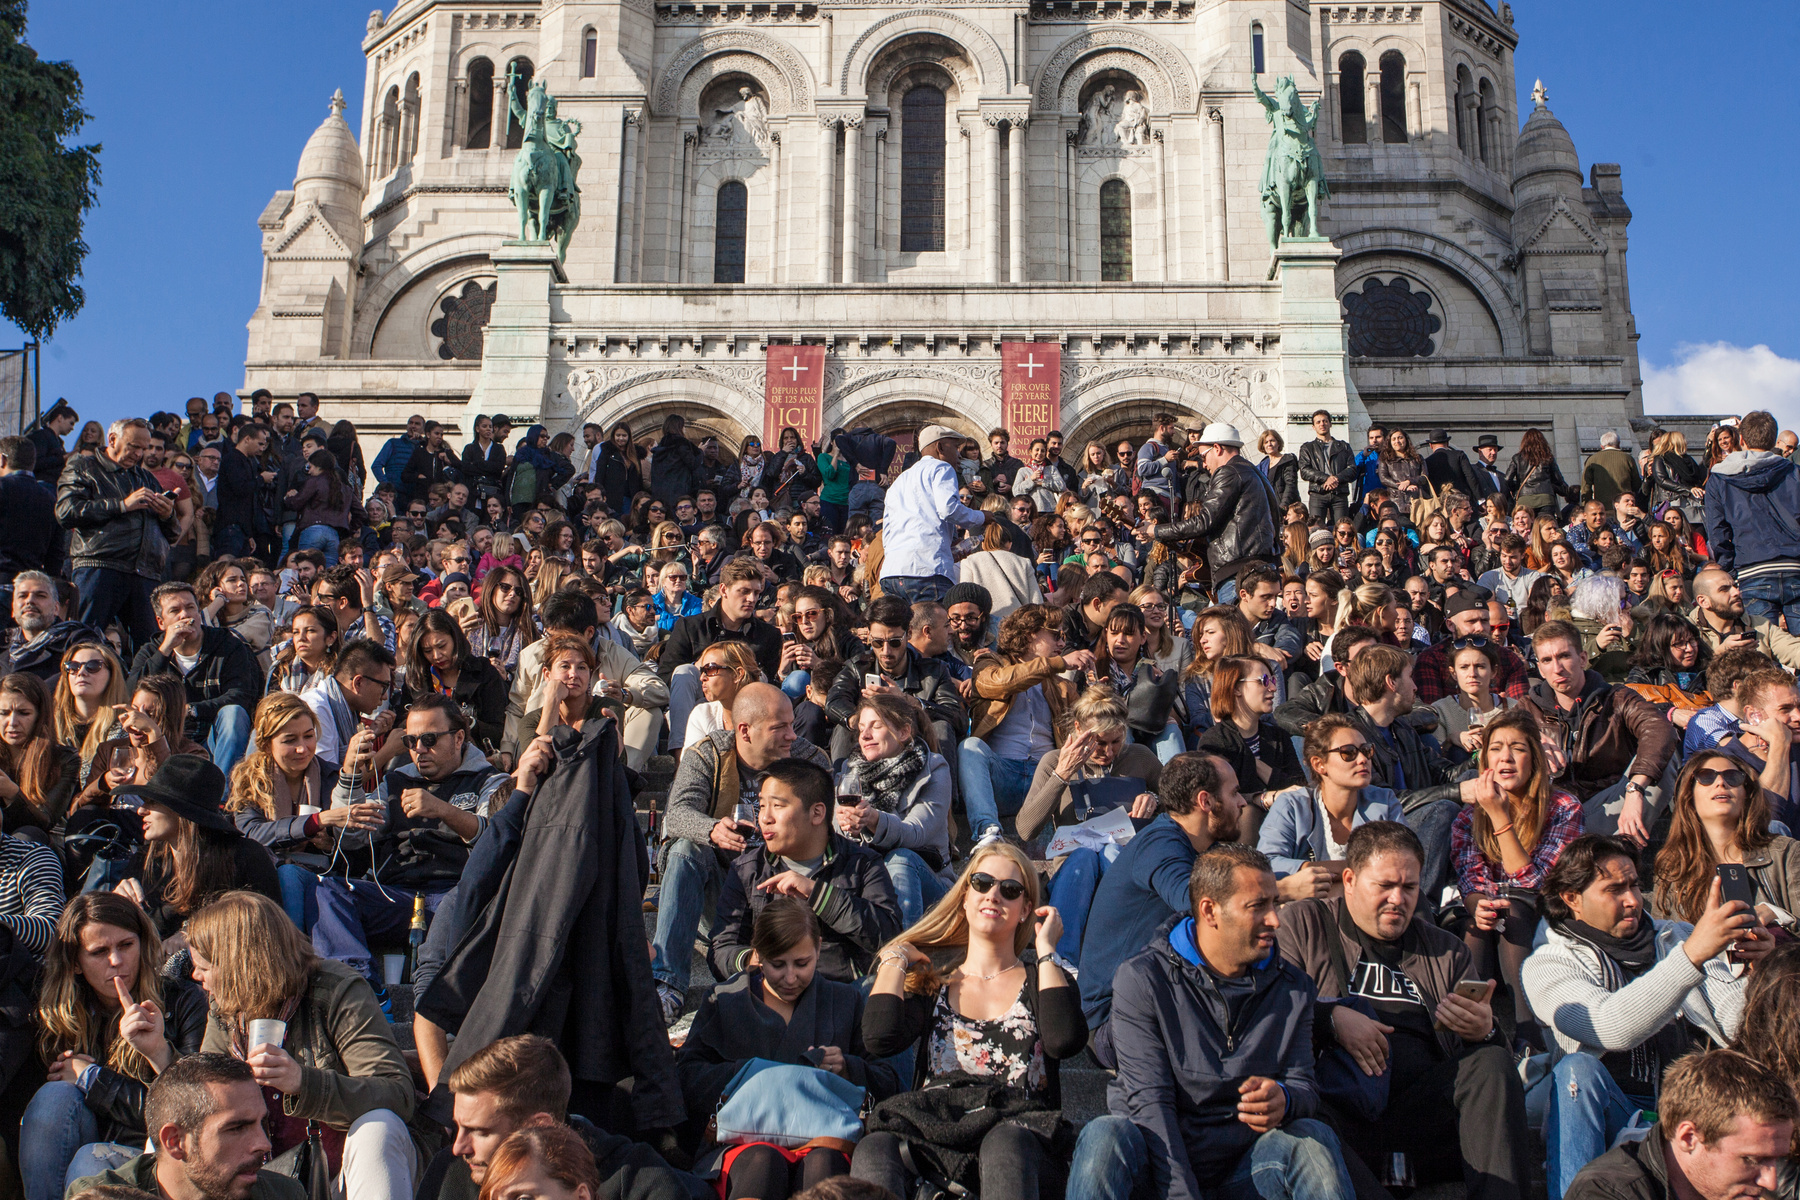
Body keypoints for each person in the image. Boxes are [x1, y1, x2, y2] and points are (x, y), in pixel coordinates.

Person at [1076, 842, 1356, 1200]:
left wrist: (1284, 1099)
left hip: (1246, 1166)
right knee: (1104, 1136)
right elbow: (1150, 1106)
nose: (1275, 919)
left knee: (1313, 1139)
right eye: (1258, 906)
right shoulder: (1143, 980)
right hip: (1158, 1161)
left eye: (1275, 903)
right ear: (1210, 910)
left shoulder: (1293, 988)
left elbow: (1303, 1085)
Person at [1277, 821, 1532, 1200]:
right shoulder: (1301, 924)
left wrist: (1486, 1033)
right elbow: (1272, 1008)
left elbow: (1491, 1074)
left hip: (1424, 1116)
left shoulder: (1447, 950)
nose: (1398, 899)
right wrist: (1329, 1018)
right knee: (1305, 1117)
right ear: (1349, 880)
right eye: (1385, 886)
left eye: (1409, 887)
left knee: (1493, 1062)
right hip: (1340, 1108)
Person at [1523, 834, 1762, 1199]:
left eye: (1635, 884)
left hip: (1701, 1107)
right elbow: (1608, 1027)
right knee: (1576, 1072)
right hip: (1618, 1107)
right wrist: (1691, 957)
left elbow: (1735, 1025)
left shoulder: (1680, 937)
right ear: (1572, 899)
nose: (1633, 900)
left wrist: (1757, 976)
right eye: (1614, 889)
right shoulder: (1547, 964)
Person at [853, 843, 1085, 1200]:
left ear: (1025, 910)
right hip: (939, 1136)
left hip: (1021, 1142)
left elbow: (1064, 1040)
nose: (993, 894)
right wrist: (894, 958)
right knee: (875, 1146)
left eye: (1009, 890)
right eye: (981, 882)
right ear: (964, 896)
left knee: (1004, 1142)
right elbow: (879, 1039)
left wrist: (1047, 951)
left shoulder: (1043, 979)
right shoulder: (936, 982)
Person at [187, 892, 421, 1200]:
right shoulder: (225, 1007)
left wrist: (303, 1083)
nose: (195, 975)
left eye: (204, 966)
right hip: (265, 1180)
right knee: (181, 1129)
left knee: (379, 1126)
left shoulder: (336, 989)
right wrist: (156, 1053)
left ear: (237, 963)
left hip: (341, 1177)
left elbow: (397, 1094)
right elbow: (199, 1103)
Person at [681, 899, 898, 1200]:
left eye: (802, 963)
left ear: (819, 949)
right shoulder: (725, 1000)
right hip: (742, 1141)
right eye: (777, 964)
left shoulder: (845, 1001)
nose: (791, 978)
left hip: (826, 1138)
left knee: (824, 1163)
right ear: (757, 954)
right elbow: (688, 1076)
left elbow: (888, 1080)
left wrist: (848, 1067)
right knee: (763, 1161)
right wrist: (746, 1074)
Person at [654, 683, 829, 1021]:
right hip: (725, 892)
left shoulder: (809, 760)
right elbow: (676, 814)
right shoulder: (708, 754)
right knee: (686, 848)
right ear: (744, 730)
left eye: (793, 724)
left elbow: (828, 830)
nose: (793, 735)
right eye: (781, 727)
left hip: (787, 890)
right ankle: (667, 985)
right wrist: (711, 829)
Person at [318, 694, 510, 996]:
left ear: (458, 737)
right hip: (398, 895)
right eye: (411, 741)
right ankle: (361, 989)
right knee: (326, 890)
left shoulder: (491, 781)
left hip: (457, 896)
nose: (419, 750)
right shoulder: (396, 781)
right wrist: (350, 779)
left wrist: (445, 811)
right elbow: (353, 837)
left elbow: (497, 841)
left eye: (430, 739)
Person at [22, 893, 209, 1200]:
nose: (116, 962)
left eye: (126, 945)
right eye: (99, 952)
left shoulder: (182, 1000)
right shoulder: (59, 1014)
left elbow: (196, 1114)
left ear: (143, 944)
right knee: (53, 1095)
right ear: (76, 963)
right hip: (82, 1144)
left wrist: (93, 1078)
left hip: (157, 1159)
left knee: (90, 1161)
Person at [1450, 709, 1584, 1055]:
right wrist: (1478, 905)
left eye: (1517, 749)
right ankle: (1470, 1039)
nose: (1506, 758)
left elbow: (1534, 883)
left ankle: (1529, 1037)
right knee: (1474, 926)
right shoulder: (1467, 817)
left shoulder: (1563, 807)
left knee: (1514, 910)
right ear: (1485, 759)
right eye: (1496, 749)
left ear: (1534, 758)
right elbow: (1470, 879)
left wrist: (1498, 815)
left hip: (1540, 921)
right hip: (1489, 923)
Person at [418, 1034, 693, 1200]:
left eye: (480, 1131)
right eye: (459, 1127)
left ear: (539, 1126)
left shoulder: (637, 1182)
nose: (459, 1147)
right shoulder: (449, 1174)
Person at [708, 756, 902, 982]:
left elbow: (889, 937)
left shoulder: (862, 863)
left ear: (817, 813)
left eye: (777, 806)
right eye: (761, 806)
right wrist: (752, 958)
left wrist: (818, 894)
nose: (765, 818)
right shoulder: (747, 869)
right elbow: (720, 948)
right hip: (774, 992)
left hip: (843, 996)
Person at [225, 693, 379, 931]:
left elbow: (354, 856)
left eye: (309, 736)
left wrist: (329, 844)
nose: (302, 749)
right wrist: (317, 821)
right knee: (288, 873)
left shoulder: (330, 777)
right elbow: (251, 834)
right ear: (267, 744)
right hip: (265, 881)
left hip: (321, 878)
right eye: (289, 740)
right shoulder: (249, 782)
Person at [65, 1051, 306, 1200]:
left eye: (260, 1123)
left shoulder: (283, 1194)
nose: (263, 1144)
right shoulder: (100, 1196)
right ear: (175, 1142)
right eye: (236, 1128)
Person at [1521, 620, 1677, 846]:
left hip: (1611, 803)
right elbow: (1495, 744)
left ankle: (1619, 852)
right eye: (1547, 660)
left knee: (1666, 757)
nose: (1557, 668)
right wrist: (1529, 742)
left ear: (1583, 659)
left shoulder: (1617, 698)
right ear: (1539, 667)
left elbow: (1658, 728)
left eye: (1564, 656)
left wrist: (1635, 789)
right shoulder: (1527, 708)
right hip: (1555, 812)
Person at [1561, 1048, 1793, 1200]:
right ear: (1688, 1138)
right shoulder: (1606, 1192)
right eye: (1751, 1160)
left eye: (1777, 1159)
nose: (1771, 1182)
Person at [113, 756, 282, 945]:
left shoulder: (244, 856)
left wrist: (197, 937)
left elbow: (267, 929)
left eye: (152, 802)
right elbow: (136, 939)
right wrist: (120, 908)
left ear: (182, 812)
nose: (141, 811)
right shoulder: (146, 861)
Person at [55, 419, 180, 650]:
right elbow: (66, 512)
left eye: (143, 448)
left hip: (145, 571)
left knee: (153, 648)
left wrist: (167, 514)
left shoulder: (146, 477)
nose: (139, 454)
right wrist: (121, 505)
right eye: (134, 446)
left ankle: (149, 687)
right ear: (112, 439)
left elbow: (173, 535)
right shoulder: (83, 466)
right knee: (83, 641)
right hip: (100, 565)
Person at [834, 693, 954, 927]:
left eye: (875, 726)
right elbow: (835, 831)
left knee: (901, 859)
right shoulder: (849, 773)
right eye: (861, 729)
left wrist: (874, 820)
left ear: (903, 732)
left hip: (929, 886)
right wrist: (848, 826)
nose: (865, 735)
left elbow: (917, 833)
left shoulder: (934, 768)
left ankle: (900, 957)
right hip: (870, 881)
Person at [1257, 714, 1404, 892]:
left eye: (1366, 750)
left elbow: (1401, 861)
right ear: (1319, 764)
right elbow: (1266, 864)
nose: (1363, 759)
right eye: (1348, 752)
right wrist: (1314, 870)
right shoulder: (1292, 805)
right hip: (1307, 910)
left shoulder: (1384, 801)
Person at [125, 582, 259, 775]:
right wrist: (165, 650)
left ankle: (220, 796)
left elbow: (241, 696)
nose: (185, 615)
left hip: (215, 733)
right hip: (168, 736)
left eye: (190, 608)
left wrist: (192, 710)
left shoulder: (228, 645)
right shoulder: (152, 651)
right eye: (175, 610)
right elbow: (132, 695)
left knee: (233, 714)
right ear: (161, 622)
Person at [661, 559, 781, 754]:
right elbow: (666, 676)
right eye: (744, 591)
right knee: (683, 672)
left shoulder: (769, 635)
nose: (752, 599)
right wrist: (703, 666)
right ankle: (679, 760)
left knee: (761, 677)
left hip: (742, 703)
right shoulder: (690, 627)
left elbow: (769, 685)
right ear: (724, 590)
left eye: (757, 593)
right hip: (696, 699)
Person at [1016, 684, 1162, 845]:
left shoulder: (1139, 756)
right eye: (1099, 743)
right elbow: (1026, 830)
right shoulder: (1053, 762)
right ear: (1078, 728)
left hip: (1125, 855)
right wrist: (1062, 775)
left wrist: (1154, 798)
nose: (1109, 752)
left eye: (1116, 741)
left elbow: (1180, 804)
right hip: (1076, 857)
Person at [1147, 424, 1278, 603]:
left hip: (1236, 572)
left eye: (1204, 456)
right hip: (1259, 566)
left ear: (1216, 448)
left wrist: (1156, 531)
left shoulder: (1229, 471)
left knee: (1233, 629)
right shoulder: (1255, 472)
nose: (1205, 464)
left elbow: (1204, 521)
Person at [1703, 410, 1800, 631]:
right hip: (1794, 565)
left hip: (1751, 569)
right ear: (1774, 440)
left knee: (1760, 654)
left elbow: (1718, 532)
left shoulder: (1719, 479)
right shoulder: (1795, 473)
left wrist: (1730, 569)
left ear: (1742, 440)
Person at [878, 425, 987, 605]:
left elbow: (887, 532)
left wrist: (948, 546)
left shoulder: (900, 480)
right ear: (940, 447)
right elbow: (948, 509)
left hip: (892, 573)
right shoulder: (941, 468)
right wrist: (982, 517)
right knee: (934, 629)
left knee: (903, 630)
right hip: (926, 572)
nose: (959, 455)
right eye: (955, 447)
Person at [1196, 656, 1304, 827]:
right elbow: (1217, 798)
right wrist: (1262, 798)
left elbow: (1298, 788)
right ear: (1236, 688)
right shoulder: (1215, 740)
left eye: (1273, 680)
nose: (1273, 688)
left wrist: (1255, 764)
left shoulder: (1278, 737)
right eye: (1264, 680)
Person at [401, 610, 509, 752]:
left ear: (455, 638)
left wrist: (470, 723)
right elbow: (401, 724)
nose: (437, 656)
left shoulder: (484, 672)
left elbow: (498, 730)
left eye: (442, 646)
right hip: (425, 754)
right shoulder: (416, 678)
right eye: (427, 651)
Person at [298, 640, 397, 771]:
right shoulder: (316, 710)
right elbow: (329, 781)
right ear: (358, 683)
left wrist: (371, 734)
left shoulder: (346, 708)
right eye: (384, 687)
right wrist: (387, 752)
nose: (385, 696)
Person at [0, 671, 79, 832]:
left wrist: (13, 794)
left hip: (35, 847)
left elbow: (44, 823)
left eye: (24, 713)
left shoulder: (64, 760)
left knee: (29, 834)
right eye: (4, 713)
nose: (12, 722)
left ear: (40, 716)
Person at [1690, 564, 1800, 669]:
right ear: (1703, 601)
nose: (1736, 592)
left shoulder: (1760, 625)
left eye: (1735, 586)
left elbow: (1794, 651)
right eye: (1724, 589)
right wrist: (1718, 655)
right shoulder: (1686, 630)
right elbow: (1682, 675)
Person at [2, 570, 100, 683]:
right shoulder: (3, 643)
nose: (29, 601)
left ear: (56, 608)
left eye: (40, 596)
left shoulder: (79, 641)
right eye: (22, 596)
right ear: (13, 610)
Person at [1624, 610, 1711, 728]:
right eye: (1679, 644)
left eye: (1691, 641)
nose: (1689, 648)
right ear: (1661, 647)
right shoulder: (1646, 674)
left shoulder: (1708, 671)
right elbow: (1628, 706)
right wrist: (1671, 713)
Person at [1299, 409, 1357, 527]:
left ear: (1330, 424)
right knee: (1315, 527)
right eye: (1318, 422)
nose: (1322, 424)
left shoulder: (1343, 446)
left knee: (1342, 527)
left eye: (1325, 421)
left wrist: (1336, 479)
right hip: (1318, 492)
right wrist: (1326, 478)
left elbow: (1352, 469)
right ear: (1313, 427)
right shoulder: (1307, 447)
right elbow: (1304, 471)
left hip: (1339, 492)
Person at [1506, 427, 1575, 513]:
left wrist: (1517, 488)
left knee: (1527, 525)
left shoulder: (1517, 458)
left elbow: (1507, 479)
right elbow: (1559, 479)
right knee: (1545, 524)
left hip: (1525, 498)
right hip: (1546, 497)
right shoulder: (1548, 457)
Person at [1580, 430, 1644, 509]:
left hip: (1602, 507)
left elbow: (1586, 487)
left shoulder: (1592, 460)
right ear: (1619, 444)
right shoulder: (1628, 459)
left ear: (1602, 446)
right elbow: (1636, 484)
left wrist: (1586, 507)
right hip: (1624, 507)